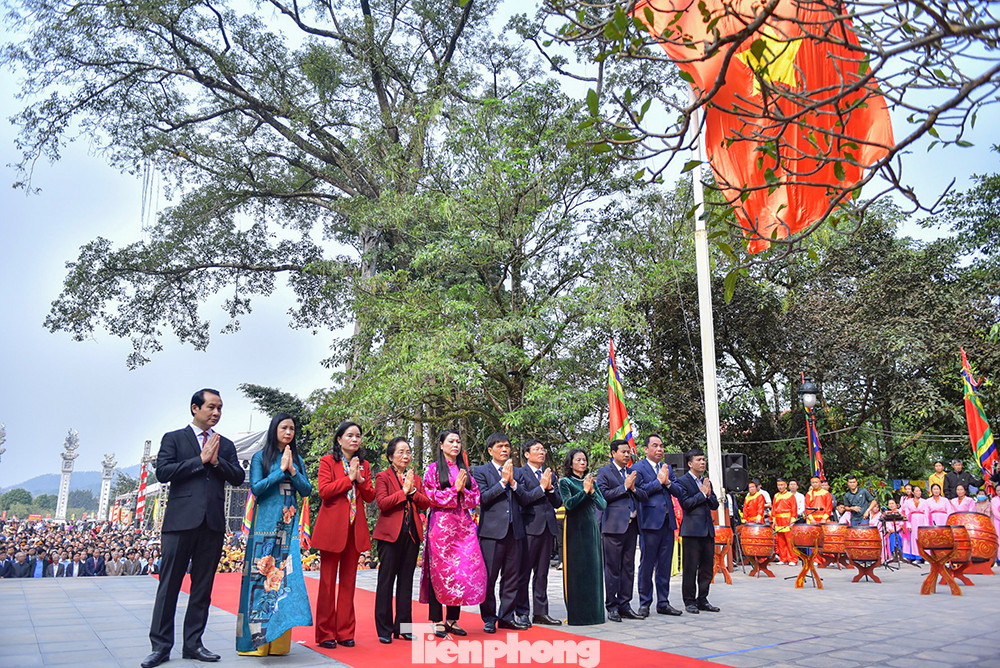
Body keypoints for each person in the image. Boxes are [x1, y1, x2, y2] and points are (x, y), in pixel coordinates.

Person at [144, 388, 245, 668]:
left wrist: (216, 461)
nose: (216, 413)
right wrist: (199, 461)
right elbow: (163, 472)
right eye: (211, 407)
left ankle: (193, 644)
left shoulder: (224, 444)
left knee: (202, 587)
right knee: (169, 586)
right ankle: (161, 647)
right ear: (194, 408)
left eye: (220, 408)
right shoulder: (174, 438)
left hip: (212, 524)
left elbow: (237, 477)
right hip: (180, 523)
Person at [236, 413, 313, 656]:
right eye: (284, 428)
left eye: (292, 428)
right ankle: (253, 643)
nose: (289, 432)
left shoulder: (297, 458)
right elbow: (256, 488)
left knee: (285, 582)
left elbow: (307, 489)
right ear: (274, 429)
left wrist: (293, 469)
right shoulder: (261, 457)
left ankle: (279, 642)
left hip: (288, 529)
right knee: (258, 581)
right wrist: (281, 471)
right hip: (264, 528)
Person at [312, 421, 376, 649]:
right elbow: (324, 491)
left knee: (349, 583)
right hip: (332, 530)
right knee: (327, 584)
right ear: (339, 439)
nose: (355, 439)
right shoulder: (328, 462)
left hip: (353, 529)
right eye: (349, 435)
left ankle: (346, 632)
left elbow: (370, 496)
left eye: (358, 436)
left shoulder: (364, 465)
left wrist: (359, 479)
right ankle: (325, 633)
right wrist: (348, 478)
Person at [419, 429, 487, 638]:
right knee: (438, 572)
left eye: (458, 441)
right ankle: (436, 619)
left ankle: (452, 619)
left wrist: (461, 490)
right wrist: (453, 491)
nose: (455, 445)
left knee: (462, 570)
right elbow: (429, 497)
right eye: (451, 441)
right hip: (440, 528)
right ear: (441, 445)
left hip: (464, 528)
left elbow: (475, 497)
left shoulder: (464, 469)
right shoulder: (432, 469)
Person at [373, 437, 430, 644]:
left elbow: (426, 502)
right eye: (400, 452)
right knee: (386, 581)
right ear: (391, 457)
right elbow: (382, 503)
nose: (405, 456)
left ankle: (404, 628)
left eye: (408, 452)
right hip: (389, 536)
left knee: (406, 582)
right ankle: (384, 629)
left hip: (412, 534)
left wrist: (413, 491)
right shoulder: (382, 477)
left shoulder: (415, 478)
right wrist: (403, 492)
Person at [472, 432, 529, 633]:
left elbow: (526, 499)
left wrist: (513, 482)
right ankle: (489, 618)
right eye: (500, 446)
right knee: (488, 577)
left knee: (511, 577)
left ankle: (507, 616)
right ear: (490, 450)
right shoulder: (480, 471)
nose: (505, 450)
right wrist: (503, 482)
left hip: (515, 532)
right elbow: (483, 498)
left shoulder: (518, 472)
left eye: (507, 446)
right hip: (491, 533)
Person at [596, 439, 648, 622]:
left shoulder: (632, 473)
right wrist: (624, 487)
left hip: (631, 526)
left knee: (628, 567)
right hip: (613, 528)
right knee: (613, 569)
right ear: (613, 453)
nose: (627, 455)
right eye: (623, 452)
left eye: (628, 452)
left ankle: (625, 604)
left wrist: (633, 488)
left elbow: (643, 495)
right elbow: (602, 496)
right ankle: (612, 606)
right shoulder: (604, 473)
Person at [514, 438, 563, 626]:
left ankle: (541, 612)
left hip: (548, 528)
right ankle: (522, 611)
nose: (541, 452)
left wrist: (549, 488)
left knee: (542, 573)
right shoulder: (520, 473)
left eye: (543, 449)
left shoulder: (549, 474)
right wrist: (542, 487)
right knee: (523, 572)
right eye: (537, 449)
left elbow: (558, 502)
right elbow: (524, 499)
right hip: (529, 528)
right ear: (527, 454)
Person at [632, 434, 681, 617]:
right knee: (647, 564)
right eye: (655, 446)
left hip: (667, 522)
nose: (660, 449)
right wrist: (658, 482)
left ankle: (663, 602)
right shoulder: (637, 468)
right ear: (646, 449)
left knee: (665, 564)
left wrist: (667, 481)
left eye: (661, 446)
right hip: (649, 523)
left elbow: (678, 491)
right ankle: (645, 603)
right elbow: (639, 492)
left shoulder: (666, 468)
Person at [558, 448, 607, 625]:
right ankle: (578, 615)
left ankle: (596, 613)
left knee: (594, 570)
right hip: (574, 528)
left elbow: (603, 505)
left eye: (584, 460)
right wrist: (584, 492)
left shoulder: (591, 481)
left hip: (591, 528)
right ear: (570, 463)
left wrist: (592, 491)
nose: (582, 462)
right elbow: (569, 505)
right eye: (578, 460)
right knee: (578, 570)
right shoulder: (565, 482)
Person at [675, 449, 718, 614]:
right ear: (689, 463)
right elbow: (685, 503)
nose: (702, 462)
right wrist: (701, 494)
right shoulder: (682, 482)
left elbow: (714, 504)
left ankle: (703, 599)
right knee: (690, 567)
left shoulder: (706, 481)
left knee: (707, 568)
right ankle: (689, 601)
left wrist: (707, 494)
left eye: (703, 459)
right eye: (699, 460)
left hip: (707, 530)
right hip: (691, 531)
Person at [771, 479, 797, 564]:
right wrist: (774, 520)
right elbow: (773, 509)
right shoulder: (776, 496)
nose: (780, 487)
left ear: (785, 485)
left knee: (789, 541)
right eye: (778, 485)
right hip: (778, 520)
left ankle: (793, 559)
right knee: (780, 541)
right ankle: (783, 558)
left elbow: (794, 509)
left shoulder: (790, 495)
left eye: (782, 485)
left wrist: (792, 521)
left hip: (787, 519)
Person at [900, 484, 926, 562]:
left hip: (922, 519)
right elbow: (906, 513)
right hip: (913, 520)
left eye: (919, 491)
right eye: (916, 491)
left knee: (922, 538)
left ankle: (924, 556)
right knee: (914, 538)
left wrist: (926, 524)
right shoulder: (908, 502)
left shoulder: (924, 501)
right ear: (913, 492)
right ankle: (916, 556)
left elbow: (926, 513)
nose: (919, 492)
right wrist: (908, 524)